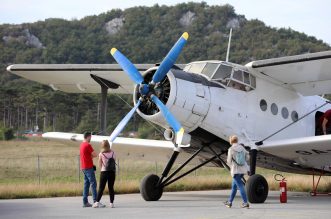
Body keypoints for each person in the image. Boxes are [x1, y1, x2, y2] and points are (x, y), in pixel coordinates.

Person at [224, 135, 250, 208]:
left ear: (231, 141)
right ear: (237, 140)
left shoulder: (231, 149)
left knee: (240, 186)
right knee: (234, 187)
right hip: (242, 170)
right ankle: (229, 202)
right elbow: (247, 157)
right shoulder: (242, 148)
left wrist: (231, 166)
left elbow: (229, 161)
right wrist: (243, 161)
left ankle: (245, 203)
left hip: (235, 170)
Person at [93, 140, 116, 208]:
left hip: (104, 172)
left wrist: (102, 168)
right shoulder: (113, 153)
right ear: (109, 145)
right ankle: (111, 203)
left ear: (102, 146)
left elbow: (100, 164)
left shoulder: (101, 154)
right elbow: (113, 161)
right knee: (111, 188)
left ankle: (97, 202)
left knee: (101, 188)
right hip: (112, 172)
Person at [80, 131, 98, 207]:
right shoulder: (88, 145)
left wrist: (90, 156)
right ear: (88, 137)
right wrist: (92, 156)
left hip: (83, 167)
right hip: (88, 167)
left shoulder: (82, 145)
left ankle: (85, 202)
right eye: (90, 137)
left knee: (86, 184)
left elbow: (87, 155)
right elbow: (95, 154)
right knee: (93, 184)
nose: (91, 138)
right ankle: (95, 201)